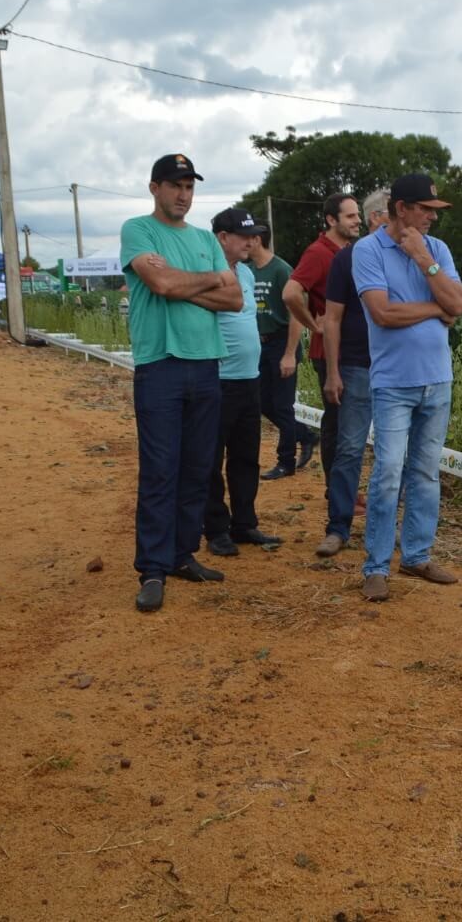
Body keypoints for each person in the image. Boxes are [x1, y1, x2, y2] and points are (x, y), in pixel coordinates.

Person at [119, 153, 242, 613]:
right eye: (174, 185)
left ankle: (182, 554)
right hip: (161, 365)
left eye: (189, 187)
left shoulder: (205, 237)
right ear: (155, 188)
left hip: (206, 363)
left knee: (198, 466)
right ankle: (152, 567)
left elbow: (234, 298)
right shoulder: (138, 230)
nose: (183, 195)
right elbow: (161, 286)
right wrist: (211, 279)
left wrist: (181, 282)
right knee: (160, 469)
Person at [354, 174, 462, 601]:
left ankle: (416, 555)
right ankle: (376, 566)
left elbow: (458, 305)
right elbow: (382, 313)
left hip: (438, 380)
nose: (432, 217)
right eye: (425, 209)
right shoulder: (367, 250)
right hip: (393, 383)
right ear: (401, 208)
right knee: (387, 474)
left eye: (435, 210)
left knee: (425, 473)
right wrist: (436, 308)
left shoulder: (437, 250)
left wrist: (423, 258)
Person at [203, 208, 284, 557]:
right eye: (245, 236)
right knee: (211, 459)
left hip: (250, 378)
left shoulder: (247, 273)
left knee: (246, 456)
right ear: (223, 237)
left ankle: (244, 523)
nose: (252, 241)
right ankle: (215, 528)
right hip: (218, 379)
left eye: (255, 236)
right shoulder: (206, 272)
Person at [315, 188, 390, 557]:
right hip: (357, 365)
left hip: (396, 368)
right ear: (379, 217)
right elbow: (332, 319)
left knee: (393, 454)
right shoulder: (346, 259)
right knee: (349, 448)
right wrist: (333, 372)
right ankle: (338, 527)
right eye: (395, 213)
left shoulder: (409, 256)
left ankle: (383, 528)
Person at [280, 193, 359, 479]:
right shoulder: (318, 253)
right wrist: (314, 325)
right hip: (329, 352)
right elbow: (290, 293)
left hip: (351, 350)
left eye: (358, 215)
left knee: (349, 424)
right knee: (337, 424)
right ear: (331, 220)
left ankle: (343, 489)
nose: (358, 221)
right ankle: (336, 490)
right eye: (350, 216)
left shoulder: (349, 250)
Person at [248, 225, 309, 480]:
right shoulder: (248, 270)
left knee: (283, 405)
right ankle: (305, 435)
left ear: (257, 239)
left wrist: (289, 353)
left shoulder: (281, 270)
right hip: (259, 344)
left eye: (246, 238)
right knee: (262, 402)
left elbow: (296, 314)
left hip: (281, 341)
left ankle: (286, 461)